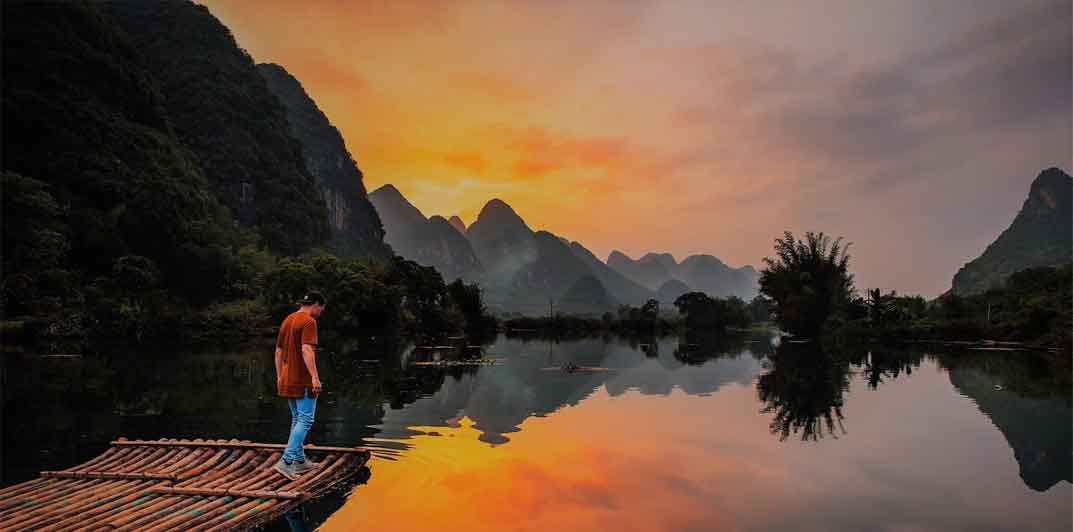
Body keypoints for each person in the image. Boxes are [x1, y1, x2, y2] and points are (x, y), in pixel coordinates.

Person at [273, 291, 326, 480]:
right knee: (306, 420)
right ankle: (286, 462)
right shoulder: (309, 322)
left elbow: (278, 351)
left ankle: (300, 461)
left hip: (287, 377)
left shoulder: (288, 319)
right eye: (322, 308)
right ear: (316, 304)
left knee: (297, 419)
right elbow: (306, 349)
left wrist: (280, 376)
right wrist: (315, 378)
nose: (321, 312)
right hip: (302, 379)